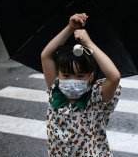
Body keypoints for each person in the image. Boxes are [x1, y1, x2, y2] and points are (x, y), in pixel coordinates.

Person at [41, 13, 121, 156]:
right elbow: (46, 55)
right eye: (66, 75)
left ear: (90, 77)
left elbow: (114, 77)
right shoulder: (55, 90)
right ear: (58, 74)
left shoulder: (96, 98)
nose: (72, 80)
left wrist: (88, 43)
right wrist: (70, 28)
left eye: (80, 76)